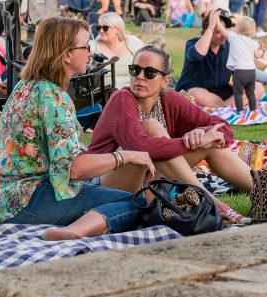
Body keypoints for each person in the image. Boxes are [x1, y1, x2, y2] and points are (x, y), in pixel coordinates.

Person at [0, 16, 155, 240]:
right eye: (85, 47)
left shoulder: (24, 86)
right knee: (138, 203)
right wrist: (125, 157)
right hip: (27, 201)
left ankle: (79, 226)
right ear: (66, 55)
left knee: (108, 196)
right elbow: (74, 169)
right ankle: (73, 232)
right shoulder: (53, 97)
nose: (90, 53)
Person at [89, 45, 251, 225]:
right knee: (152, 127)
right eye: (135, 70)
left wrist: (202, 133)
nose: (139, 77)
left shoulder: (169, 99)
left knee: (212, 145)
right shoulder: (122, 99)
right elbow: (138, 147)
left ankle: (266, 190)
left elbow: (224, 128)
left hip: (149, 183)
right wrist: (186, 141)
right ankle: (215, 205)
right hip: (104, 185)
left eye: (149, 72)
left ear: (165, 80)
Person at [175, 11, 265, 107]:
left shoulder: (231, 47)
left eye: (225, 30)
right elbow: (198, 55)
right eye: (218, 31)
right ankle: (226, 106)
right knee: (196, 94)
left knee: (258, 88)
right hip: (194, 90)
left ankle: (223, 107)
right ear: (206, 31)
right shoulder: (193, 43)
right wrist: (211, 27)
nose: (223, 35)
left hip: (222, 92)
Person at [215, 16, 261, 111]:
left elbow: (222, 30)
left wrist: (216, 20)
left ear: (238, 27)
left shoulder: (233, 36)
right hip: (251, 71)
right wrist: (261, 51)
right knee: (250, 92)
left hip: (240, 71)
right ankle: (253, 110)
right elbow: (257, 55)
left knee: (238, 93)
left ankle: (239, 111)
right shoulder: (253, 42)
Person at [91, 12, 145, 89]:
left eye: (105, 28)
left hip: (134, 90)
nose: (101, 31)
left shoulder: (133, 42)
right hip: (104, 94)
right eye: (99, 28)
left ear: (117, 29)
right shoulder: (93, 46)